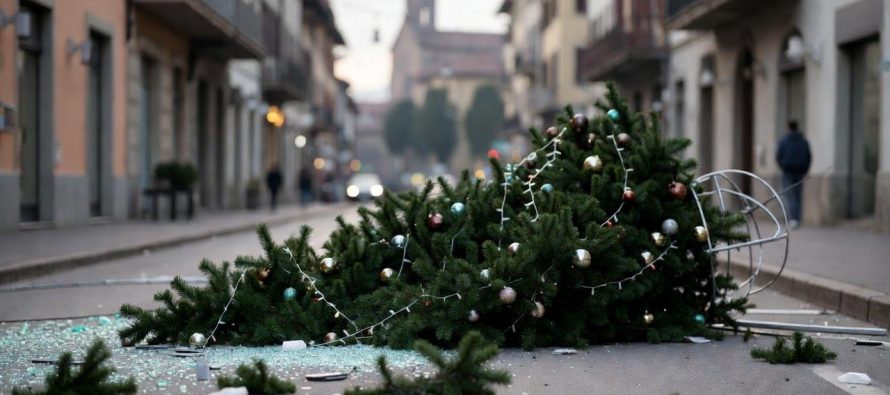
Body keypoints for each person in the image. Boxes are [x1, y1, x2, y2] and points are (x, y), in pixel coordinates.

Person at [776, 120, 811, 229]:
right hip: (800, 171)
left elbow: (778, 156)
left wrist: (784, 166)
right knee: (798, 195)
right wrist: (805, 169)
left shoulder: (784, 141)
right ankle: (797, 218)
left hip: (788, 172)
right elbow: (809, 156)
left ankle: (793, 218)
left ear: (788, 128)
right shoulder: (803, 141)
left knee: (790, 195)